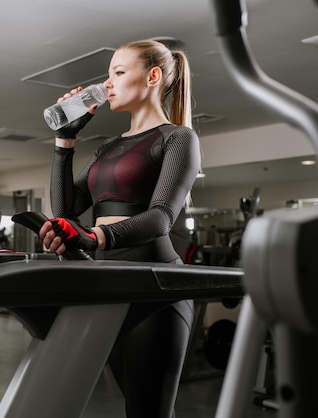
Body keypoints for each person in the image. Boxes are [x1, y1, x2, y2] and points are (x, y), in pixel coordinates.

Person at [39, 39, 201, 417]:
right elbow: (66, 209)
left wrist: (96, 236)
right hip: (109, 283)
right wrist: (65, 140)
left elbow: (161, 216)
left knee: (149, 410)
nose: (107, 83)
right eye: (109, 74)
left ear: (153, 76)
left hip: (154, 287)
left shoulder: (176, 138)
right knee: (132, 406)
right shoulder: (107, 148)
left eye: (118, 72)